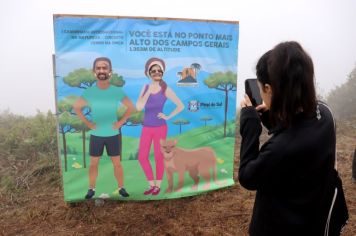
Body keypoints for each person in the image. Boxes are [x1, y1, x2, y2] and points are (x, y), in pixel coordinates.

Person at [239, 41, 341, 235]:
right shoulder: (324, 112)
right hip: (314, 219)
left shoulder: (281, 147)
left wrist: (250, 125)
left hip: (280, 225)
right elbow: (295, 130)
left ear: (269, 89)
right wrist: (272, 114)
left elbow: (247, 176)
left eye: (262, 88)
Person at [73, 57, 134, 199]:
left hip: (113, 134)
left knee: (117, 164)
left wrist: (121, 122)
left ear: (110, 71)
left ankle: (121, 188)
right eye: (98, 68)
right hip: (97, 135)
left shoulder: (116, 91)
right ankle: (91, 189)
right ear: (94, 71)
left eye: (104, 67)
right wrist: (88, 124)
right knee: (94, 164)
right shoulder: (89, 92)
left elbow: (131, 107)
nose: (101, 70)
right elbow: (77, 107)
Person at [136, 57, 184, 195]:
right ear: (148, 73)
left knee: (158, 156)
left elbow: (180, 105)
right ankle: (151, 184)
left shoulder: (165, 89)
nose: (157, 72)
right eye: (153, 70)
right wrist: (148, 93)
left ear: (162, 72)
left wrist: (168, 116)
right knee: (142, 157)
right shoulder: (145, 88)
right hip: (146, 127)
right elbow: (139, 108)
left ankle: (158, 186)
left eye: (159, 70)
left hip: (160, 127)